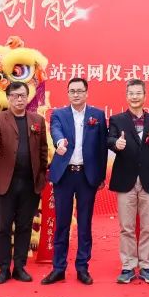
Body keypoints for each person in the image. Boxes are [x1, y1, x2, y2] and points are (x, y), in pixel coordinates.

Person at [43, 77, 108, 285]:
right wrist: (59, 142)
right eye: (72, 91)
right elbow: (55, 130)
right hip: (64, 175)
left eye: (80, 91)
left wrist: (100, 176)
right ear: (68, 93)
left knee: (84, 223)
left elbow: (102, 147)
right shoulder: (59, 114)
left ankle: (82, 268)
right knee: (62, 223)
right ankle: (58, 268)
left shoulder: (97, 115)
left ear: (87, 93)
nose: (76, 94)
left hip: (86, 176)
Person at [0, 81, 49, 284]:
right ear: (8, 98)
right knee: (3, 227)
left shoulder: (37, 120)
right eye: (15, 96)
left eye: (22, 95)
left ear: (27, 97)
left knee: (24, 226)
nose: (19, 99)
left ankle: (20, 267)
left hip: (29, 183)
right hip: (6, 183)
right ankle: (3, 268)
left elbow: (43, 149)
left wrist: (42, 176)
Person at [107, 79, 149, 284]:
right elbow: (109, 139)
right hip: (126, 180)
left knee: (148, 227)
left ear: (144, 95)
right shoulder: (117, 119)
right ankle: (128, 266)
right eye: (131, 93)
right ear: (126, 96)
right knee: (127, 227)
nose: (135, 97)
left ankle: (147, 266)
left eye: (138, 93)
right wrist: (116, 144)